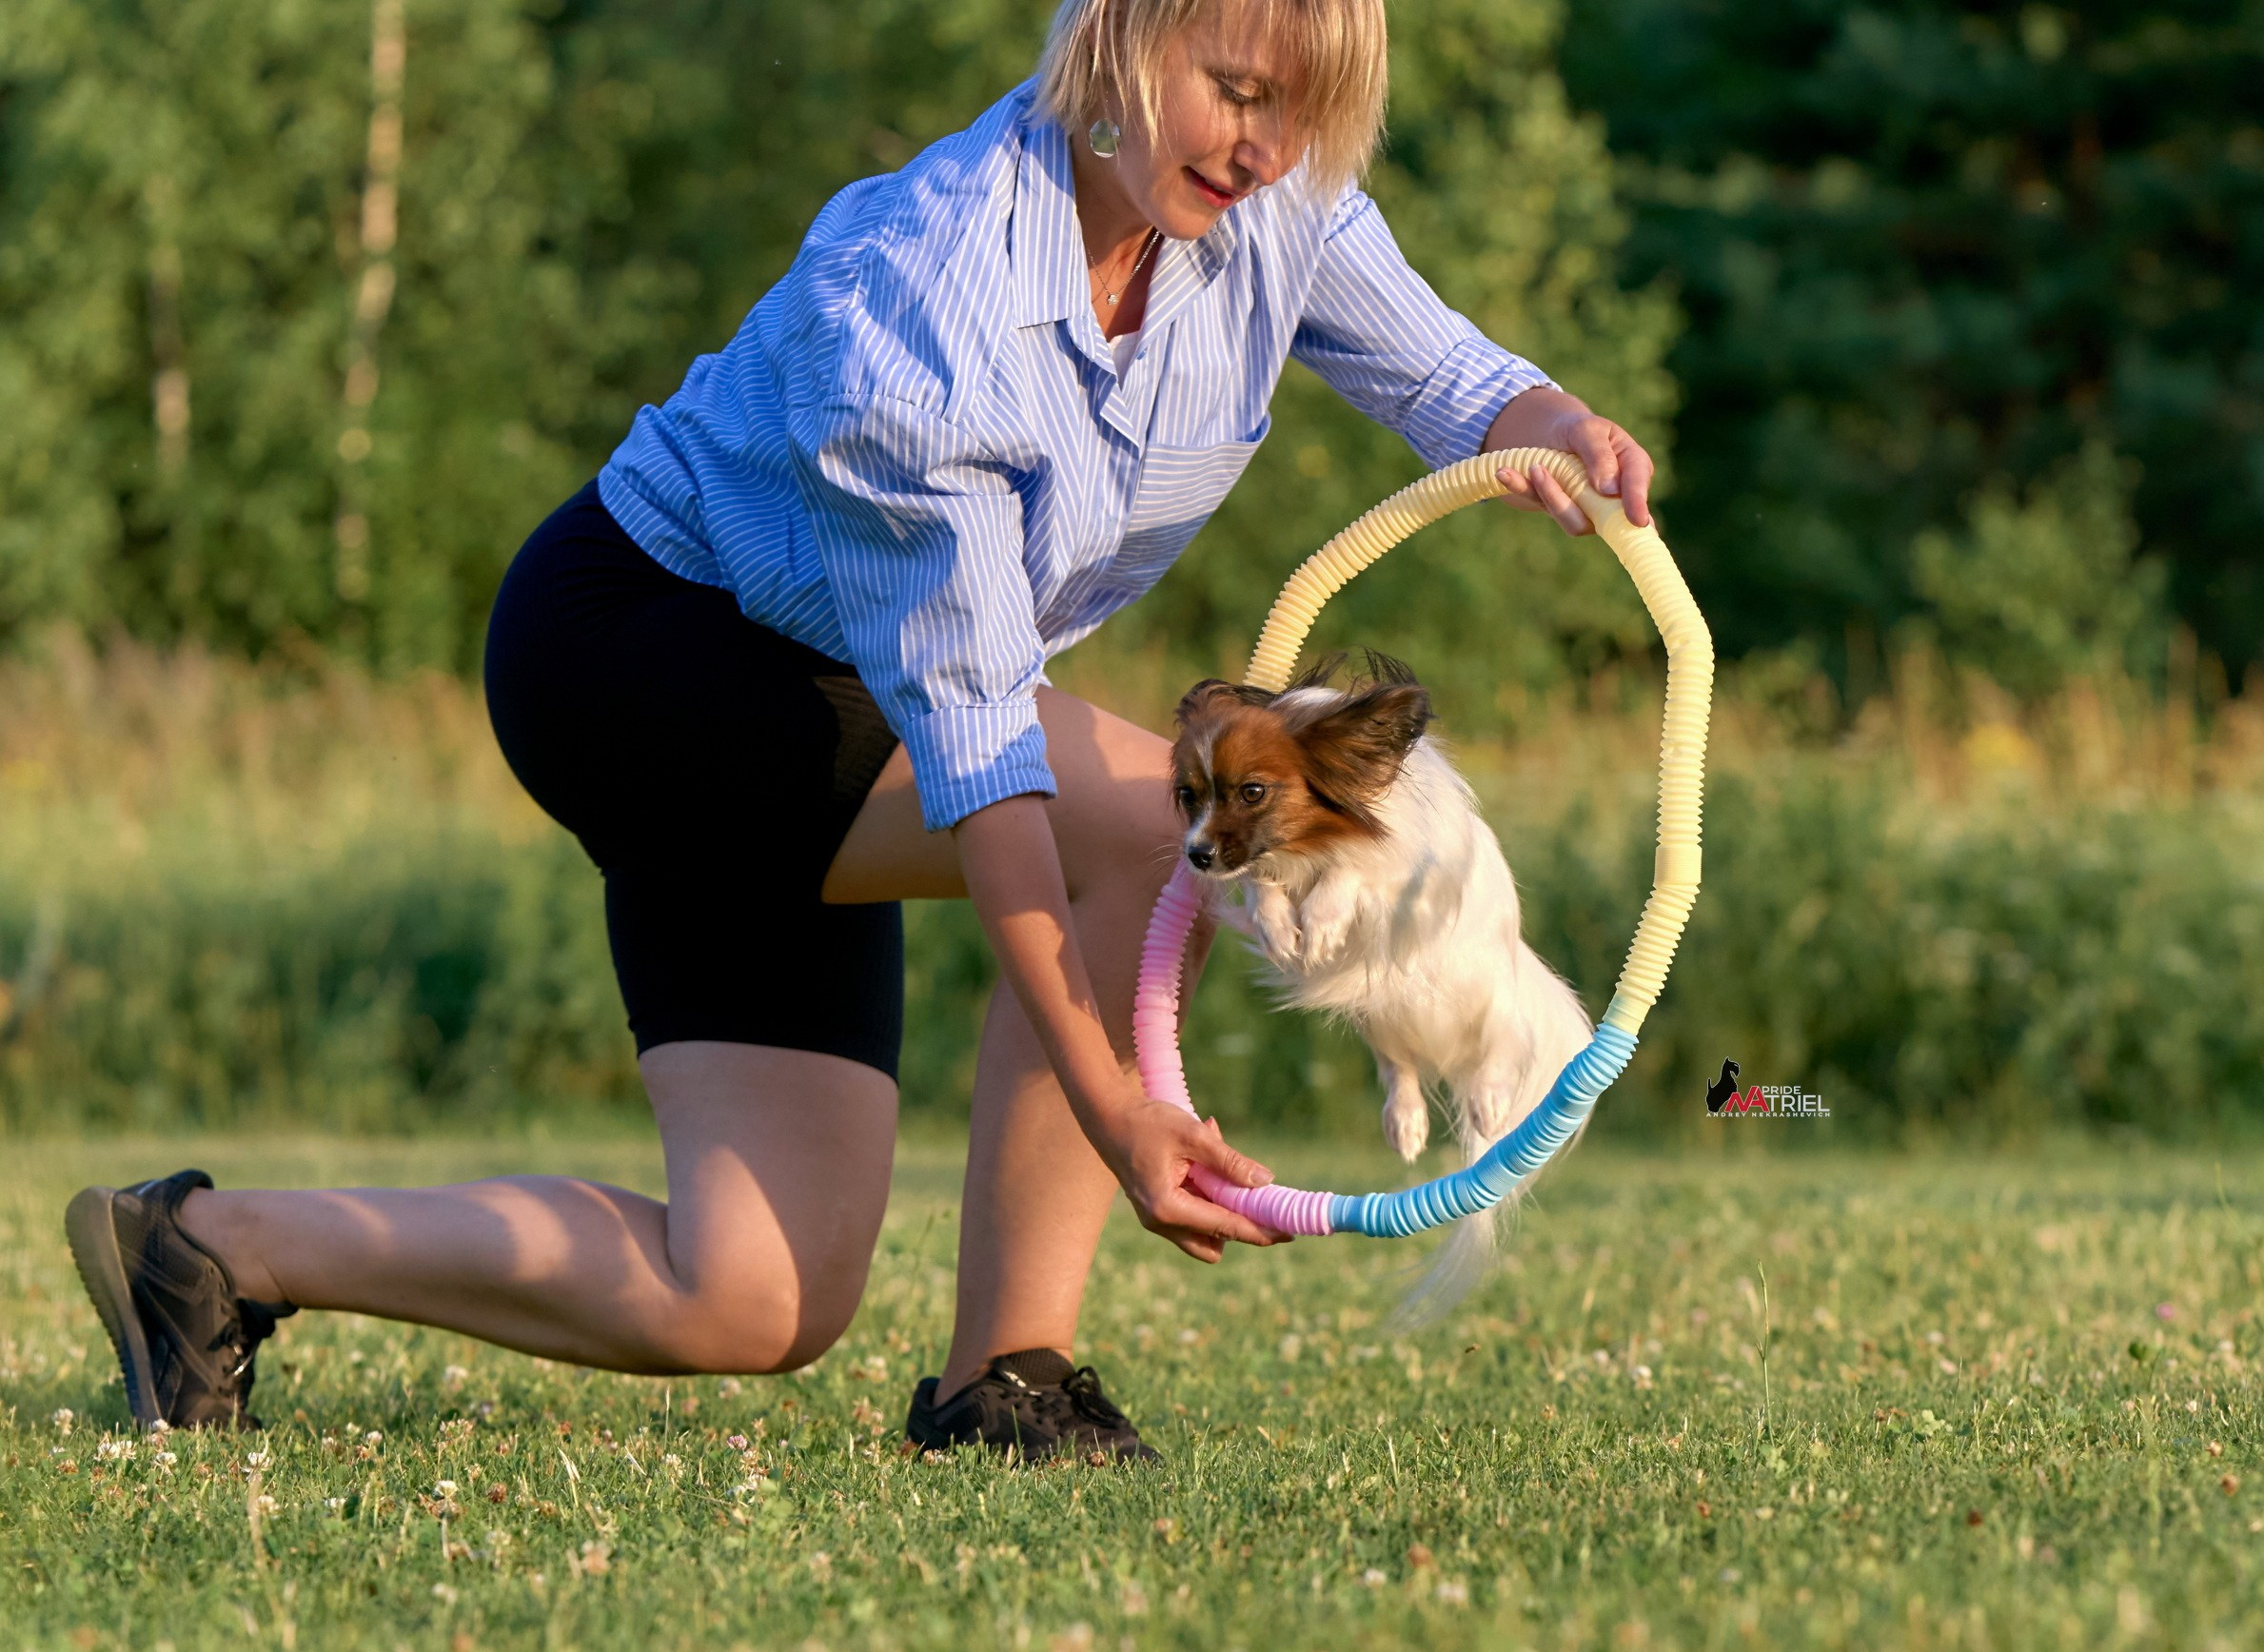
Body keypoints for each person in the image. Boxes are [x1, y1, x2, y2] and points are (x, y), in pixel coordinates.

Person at [64, 0, 1654, 1460]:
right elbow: (985, 761)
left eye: (1302, 115)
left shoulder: (1270, 215)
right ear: (1109, 41)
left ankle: (211, 1251)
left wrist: (1556, 429)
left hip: (836, 698)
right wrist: (1118, 1114)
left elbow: (1453, 379)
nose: (1266, 145)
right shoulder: (926, 291)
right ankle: (1007, 1377)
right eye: (1236, 91)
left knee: (751, 1300)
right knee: (1125, 819)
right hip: (648, 653)